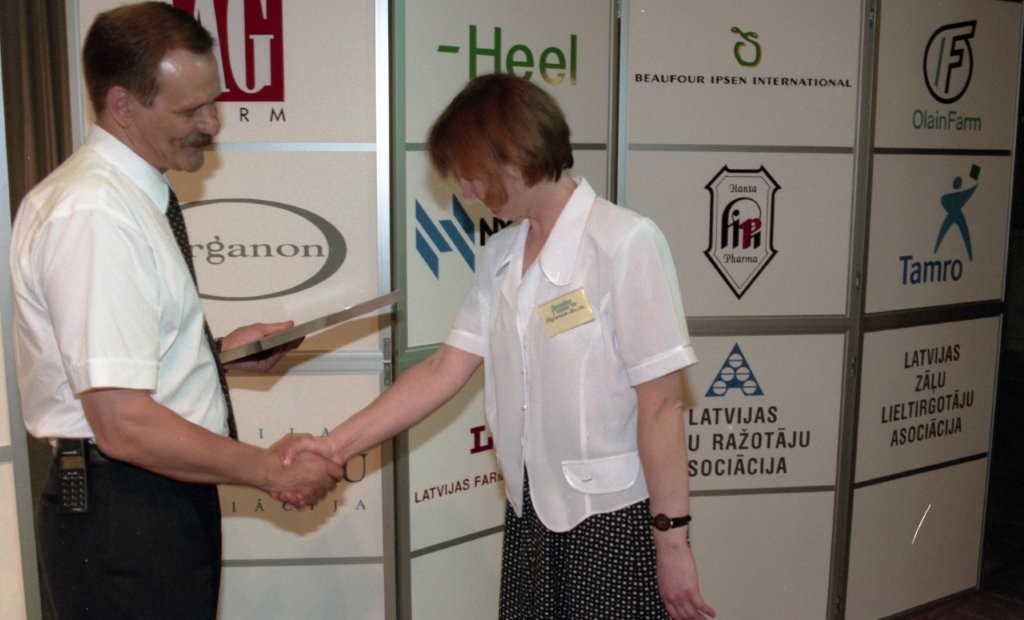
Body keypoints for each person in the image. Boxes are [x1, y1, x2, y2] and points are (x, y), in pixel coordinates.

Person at [284, 73, 715, 619]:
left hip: (611, 520)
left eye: (470, 177)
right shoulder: (501, 255)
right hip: (530, 513)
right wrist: (335, 446)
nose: (466, 194)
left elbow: (661, 405)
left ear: (515, 159)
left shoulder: (625, 242)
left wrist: (672, 542)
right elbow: (442, 371)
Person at [9, 3, 342, 618]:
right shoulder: (95, 215)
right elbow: (122, 423)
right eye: (191, 111)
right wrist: (269, 470)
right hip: (127, 513)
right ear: (122, 105)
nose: (212, 124)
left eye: (213, 103)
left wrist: (216, 360)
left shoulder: (129, 199)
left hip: (148, 503)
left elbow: (122, 371)